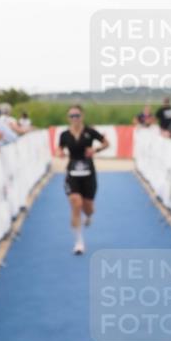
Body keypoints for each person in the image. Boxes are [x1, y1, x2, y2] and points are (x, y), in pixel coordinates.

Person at [56, 104, 109, 255]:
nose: (74, 118)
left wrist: (95, 150)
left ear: (82, 116)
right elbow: (59, 148)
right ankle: (79, 242)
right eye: (71, 116)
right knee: (75, 203)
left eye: (77, 115)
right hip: (72, 173)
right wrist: (59, 152)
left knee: (88, 207)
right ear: (68, 118)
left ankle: (89, 215)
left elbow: (106, 143)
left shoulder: (90, 132)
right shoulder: (64, 134)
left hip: (89, 174)